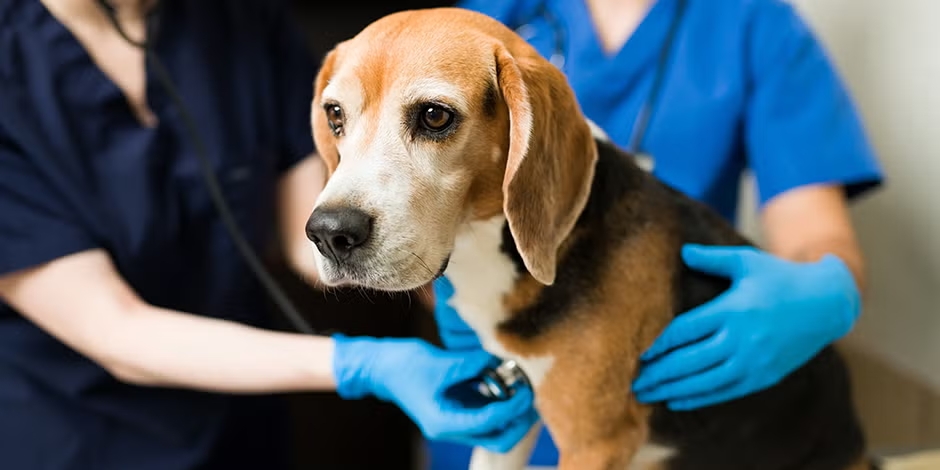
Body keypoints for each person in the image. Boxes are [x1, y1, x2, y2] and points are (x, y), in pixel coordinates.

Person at [0, 1, 537, 469]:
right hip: (75, 436)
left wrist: (468, 283)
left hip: (246, 424)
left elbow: (316, 232)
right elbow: (114, 330)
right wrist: (365, 365)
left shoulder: (243, 20)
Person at [427, 0, 885, 467]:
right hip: (490, 406)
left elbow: (814, 233)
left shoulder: (754, 24)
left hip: (682, 416)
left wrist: (827, 292)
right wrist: (369, 355)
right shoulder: (479, 22)